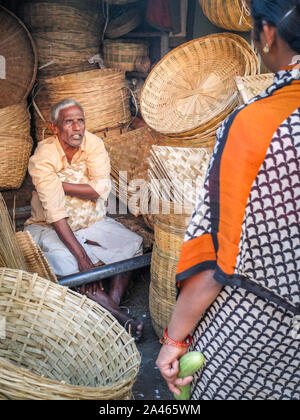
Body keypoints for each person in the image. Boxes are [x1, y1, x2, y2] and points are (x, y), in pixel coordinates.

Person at [156, 0, 300, 400]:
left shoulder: (257, 124)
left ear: (268, 34)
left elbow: (217, 255)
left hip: (261, 334)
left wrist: (174, 339)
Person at [25, 98, 143, 341]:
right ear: (54, 128)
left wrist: (59, 183)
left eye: (80, 121)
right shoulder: (43, 156)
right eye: (69, 122)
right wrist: (82, 258)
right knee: (69, 262)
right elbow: (55, 213)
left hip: (92, 221)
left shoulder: (94, 144)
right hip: (48, 225)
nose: (77, 128)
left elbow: (100, 190)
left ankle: (111, 309)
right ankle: (121, 319)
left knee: (132, 243)